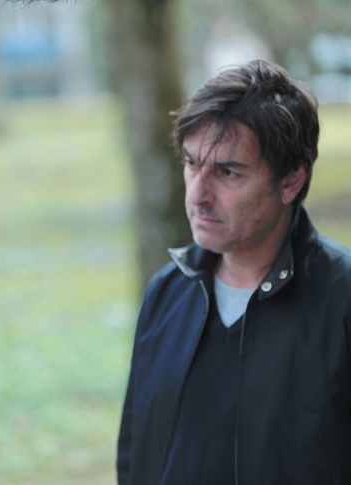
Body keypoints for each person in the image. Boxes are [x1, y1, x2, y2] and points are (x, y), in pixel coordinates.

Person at [117, 59, 351, 484]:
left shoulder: (342, 300)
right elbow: (137, 456)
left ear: (291, 182)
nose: (198, 195)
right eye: (192, 164)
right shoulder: (167, 293)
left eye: (227, 172)